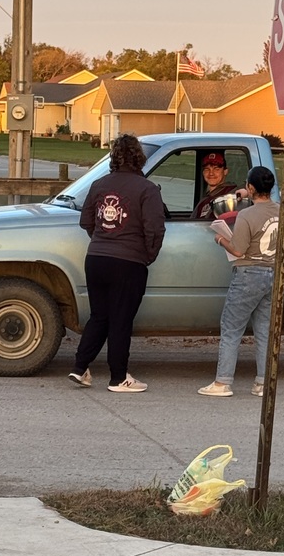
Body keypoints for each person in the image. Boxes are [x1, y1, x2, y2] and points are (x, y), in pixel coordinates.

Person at [68, 133, 166, 393]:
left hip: (96, 258)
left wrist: (103, 239)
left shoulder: (100, 184)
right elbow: (154, 228)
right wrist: (147, 255)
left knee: (99, 316)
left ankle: (79, 367)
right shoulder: (147, 189)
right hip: (128, 262)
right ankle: (118, 377)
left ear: (114, 157)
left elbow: (86, 222)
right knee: (121, 320)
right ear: (139, 158)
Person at [197, 165, 279, 398]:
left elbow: (239, 250)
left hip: (248, 274)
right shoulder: (280, 212)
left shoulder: (246, 216)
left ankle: (223, 382)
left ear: (251, 187)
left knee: (232, 328)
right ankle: (263, 382)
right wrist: (246, 192)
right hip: (270, 272)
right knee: (264, 330)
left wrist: (221, 239)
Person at [190, 150, 237, 220]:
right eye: (207, 169)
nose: (211, 173)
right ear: (203, 173)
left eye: (216, 169)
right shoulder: (204, 200)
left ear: (225, 171)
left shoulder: (231, 195)